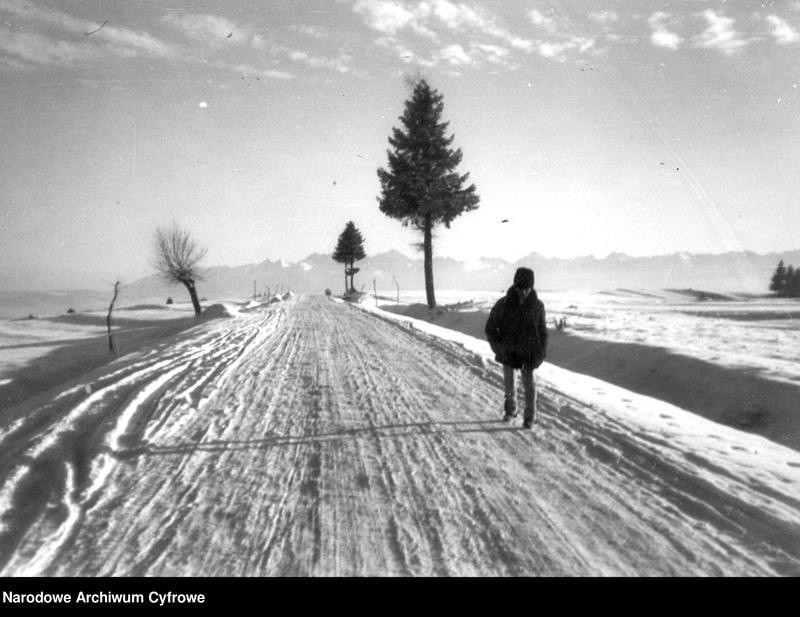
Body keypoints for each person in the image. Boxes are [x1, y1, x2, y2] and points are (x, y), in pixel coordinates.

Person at [485, 267, 547, 429]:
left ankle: (530, 417)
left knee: (530, 387)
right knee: (509, 386)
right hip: (509, 352)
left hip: (529, 354)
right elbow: (490, 328)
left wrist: (540, 354)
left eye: (527, 288)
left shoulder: (538, 306)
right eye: (521, 288)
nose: (524, 292)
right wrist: (499, 348)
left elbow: (542, 332)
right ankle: (510, 411)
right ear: (515, 286)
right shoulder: (503, 304)